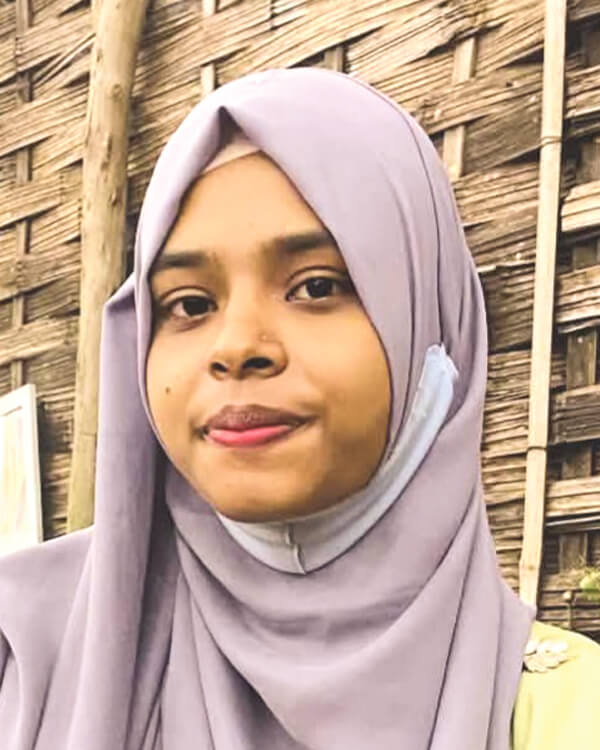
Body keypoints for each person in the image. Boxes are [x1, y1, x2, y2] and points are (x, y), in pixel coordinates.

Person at [0, 66, 598, 750]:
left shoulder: (569, 714)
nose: (236, 347)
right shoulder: (23, 661)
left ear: (429, 325)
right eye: (189, 304)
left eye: (316, 287)